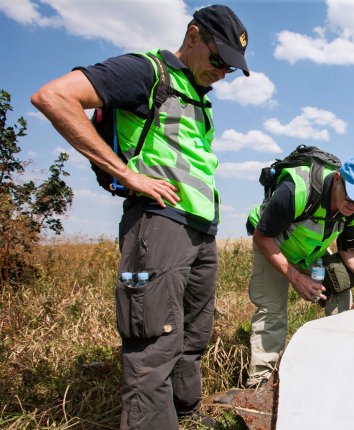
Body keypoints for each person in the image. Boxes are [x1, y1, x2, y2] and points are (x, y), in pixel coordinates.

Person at [31, 5, 250, 428]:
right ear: (193, 36)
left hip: (200, 231)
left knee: (192, 335)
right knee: (154, 343)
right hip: (159, 223)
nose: (223, 72)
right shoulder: (147, 72)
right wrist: (127, 174)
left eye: (231, 68)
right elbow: (53, 97)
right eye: (219, 59)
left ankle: (186, 414)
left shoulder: (197, 97)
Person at [245, 155, 354, 386]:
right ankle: (260, 383)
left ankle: (334, 360)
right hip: (273, 244)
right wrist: (294, 277)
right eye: (352, 197)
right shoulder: (297, 190)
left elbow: (348, 250)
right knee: (273, 311)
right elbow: (262, 236)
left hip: (309, 252)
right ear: (337, 179)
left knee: (342, 287)